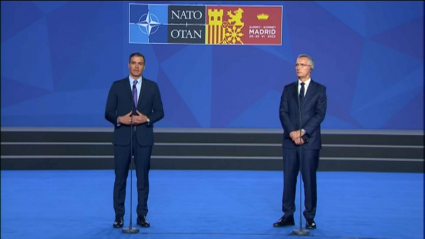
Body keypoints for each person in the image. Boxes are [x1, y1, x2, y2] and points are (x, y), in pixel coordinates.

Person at [105, 52, 164, 228]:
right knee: (120, 178)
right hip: (122, 138)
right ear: (128, 65)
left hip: (144, 139)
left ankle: (142, 215)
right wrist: (119, 119)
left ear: (144, 66)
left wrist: (146, 119)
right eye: (133, 63)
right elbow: (108, 112)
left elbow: (160, 112)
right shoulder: (117, 86)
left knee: (143, 179)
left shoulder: (152, 87)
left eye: (140, 63)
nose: (136, 66)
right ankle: (119, 216)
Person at [274, 54, 327, 229]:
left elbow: (320, 115)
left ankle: (309, 217)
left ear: (310, 68)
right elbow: (283, 113)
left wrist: (302, 132)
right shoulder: (288, 89)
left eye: (302, 65)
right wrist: (292, 133)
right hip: (290, 142)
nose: (298, 67)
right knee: (289, 179)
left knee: (309, 180)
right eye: (296, 64)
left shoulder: (320, 90)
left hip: (309, 142)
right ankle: (288, 215)